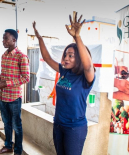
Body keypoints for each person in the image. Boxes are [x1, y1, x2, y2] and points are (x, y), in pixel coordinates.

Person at [33, 12, 95, 155]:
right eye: (65, 55)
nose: (66, 58)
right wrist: (39, 38)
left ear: (79, 58)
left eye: (71, 56)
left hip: (75, 128)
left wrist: (77, 37)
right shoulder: (65, 72)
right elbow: (47, 58)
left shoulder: (85, 77)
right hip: (59, 124)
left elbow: (88, 66)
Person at [0, 29, 30, 155]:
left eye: (6, 38)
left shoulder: (21, 56)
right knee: (6, 123)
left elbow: (26, 78)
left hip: (14, 98)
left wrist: (6, 83)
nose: (3, 41)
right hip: (3, 97)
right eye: (3, 38)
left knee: (17, 127)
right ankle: (8, 146)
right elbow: (3, 74)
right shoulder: (4, 55)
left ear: (14, 40)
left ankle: (18, 151)